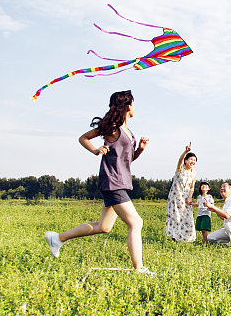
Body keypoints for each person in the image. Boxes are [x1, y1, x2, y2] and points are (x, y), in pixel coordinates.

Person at [44, 90, 155, 276]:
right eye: (134, 104)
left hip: (121, 181)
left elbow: (126, 161)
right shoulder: (113, 128)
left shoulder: (128, 132)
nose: (135, 108)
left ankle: (57, 238)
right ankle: (139, 270)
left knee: (104, 227)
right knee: (136, 222)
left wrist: (140, 150)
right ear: (128, 106)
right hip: (113, 182)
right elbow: (84, 138)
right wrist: (96, 150)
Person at [165, 142, 197, 242]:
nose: (193, 161)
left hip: (186, 198)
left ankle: (187, 238)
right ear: (186, 160)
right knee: (175, 216)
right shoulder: (180, 169)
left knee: (186, 217)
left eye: (195, 160)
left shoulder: (194, 173)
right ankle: (175, 237)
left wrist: (190, 197)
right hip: (176, 197)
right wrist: (186, 151)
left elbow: (192, 187)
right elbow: (180, 160)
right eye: (191, 159)